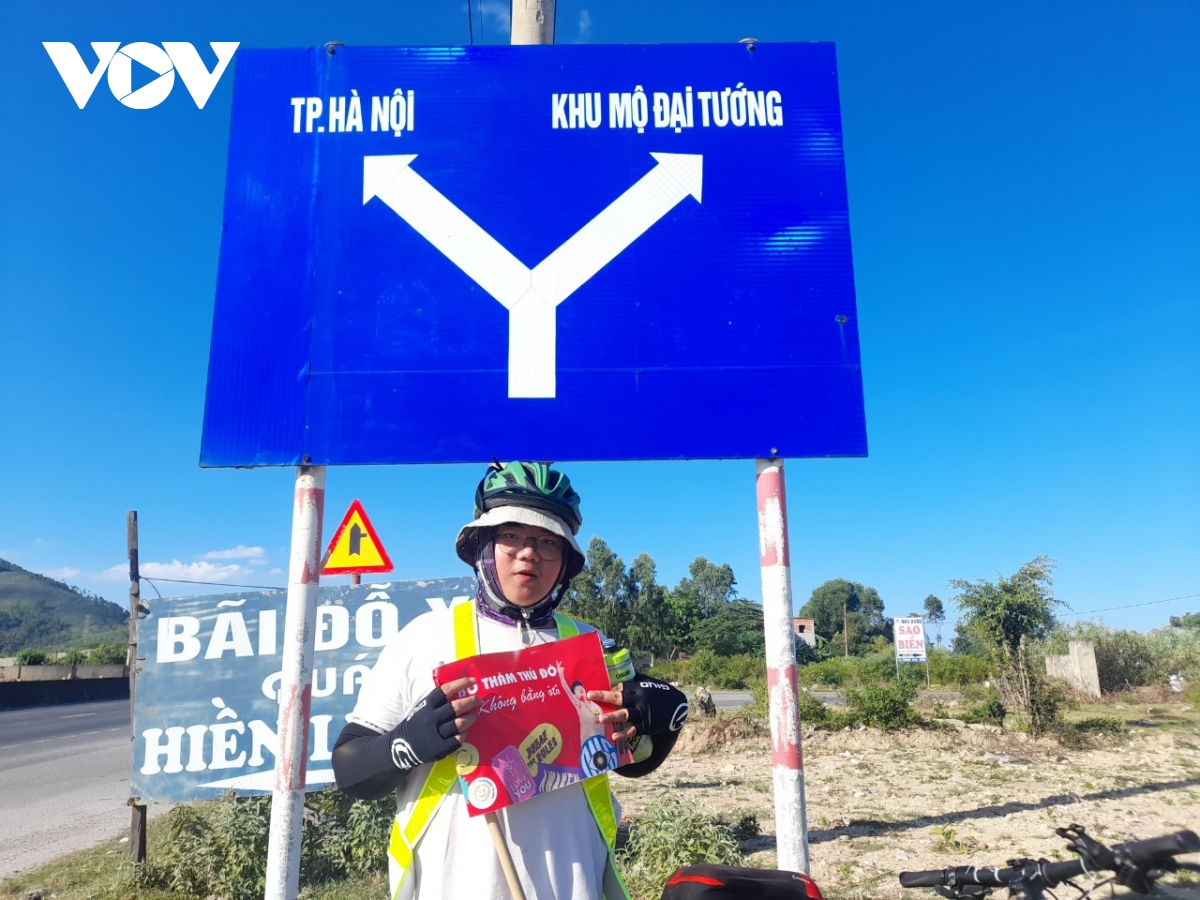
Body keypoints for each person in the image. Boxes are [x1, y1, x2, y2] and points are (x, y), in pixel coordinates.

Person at [332, 461, 690, 900]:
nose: (529, 553)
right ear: (482, 544)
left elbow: (630, 759)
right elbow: (350, 769)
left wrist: (664, 720)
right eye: (511, 535)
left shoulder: (591, 645)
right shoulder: (425, 638)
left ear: (566, 560)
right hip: (456, 885)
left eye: (548, 541)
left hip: (576, 883)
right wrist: (409, 741)